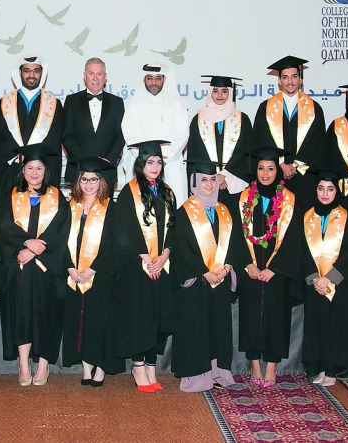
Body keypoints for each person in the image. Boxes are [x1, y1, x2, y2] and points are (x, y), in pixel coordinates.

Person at [0, 143, 70, 386]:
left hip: (48, 270)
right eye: (30, 168)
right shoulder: (11, 196)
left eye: (39, 168)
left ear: (46, 171)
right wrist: (25, 245)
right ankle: (24, 363)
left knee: (47, 314)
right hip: (19, 267)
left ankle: (44, 365)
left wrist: (37, 250)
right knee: (21, 313)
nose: (35, 173)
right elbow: (4, 227)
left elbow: (61, 231)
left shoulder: (58, 197)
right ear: (22, 170)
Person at [234, 145, 305, 388]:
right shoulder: (244, 198)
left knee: (277, 317)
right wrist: (247, 265)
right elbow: (235, 235)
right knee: (251, 316)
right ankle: (254, 364)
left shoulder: (290, 201)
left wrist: (275, 269)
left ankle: (272, 366)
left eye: (271, 168)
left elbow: (296, 238)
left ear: (278, 171)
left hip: (278, 273)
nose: (265, 173)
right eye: (261, 168)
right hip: (251, 272)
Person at [112, 140, 177, 393]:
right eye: (150, 162)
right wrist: (146, 257)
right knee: (140, 317)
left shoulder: (167, 192)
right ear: (141, 164)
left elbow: (173, 229)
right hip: (137, 267)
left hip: (162, 266)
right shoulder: (129, 191)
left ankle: (152, 364)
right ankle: (138, 365)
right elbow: (124, 229)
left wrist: (164, 255)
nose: (155, 166)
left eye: (159, 162)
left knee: (157, 317)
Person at [170, 161, 241, 392]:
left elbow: (234, 242)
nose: (209, 184)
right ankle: (196, 376)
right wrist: (204, 271)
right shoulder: (183, 213)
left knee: (218, 326)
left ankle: (218, 373)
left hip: (220, 278)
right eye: (203, 180)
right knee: (196, 328)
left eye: (212, 179)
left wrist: (228, 267)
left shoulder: (224, 211)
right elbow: (181, 248)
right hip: (196, 282)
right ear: (194, 183)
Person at [299, 167, 348, 387]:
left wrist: (329, 279)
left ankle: (334, 369)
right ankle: (319, 366)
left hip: (340, 284)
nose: (325, 193)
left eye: (330, 189)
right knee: (317, 325)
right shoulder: (307, 216)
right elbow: (302, 253)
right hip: (315, 285)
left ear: (337, 191)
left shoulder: (346, 217)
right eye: (321, 188)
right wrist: (315, 279)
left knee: (337, 325)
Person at [61, 157, 123, 387]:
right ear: (78, 181)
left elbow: (114, 243)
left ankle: (101, 367)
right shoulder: (69, 207)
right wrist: (70, 267)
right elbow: (60, 240)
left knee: (99, 321)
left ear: (101, 181)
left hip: (101, 275)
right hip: (74, 275)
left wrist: (94, 268)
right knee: (79, 321)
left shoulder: (110, 208)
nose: (88, 184)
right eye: (84, 179)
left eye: (93, 179)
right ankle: (86, 366)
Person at [251, 56, 326, 193]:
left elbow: (317, 143)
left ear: (300, 80)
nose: (290, 82)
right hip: (274, 174)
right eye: (285, 77)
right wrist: (281, 164)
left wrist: (296, 164)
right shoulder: (265, 108)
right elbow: (261, 140)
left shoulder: (315, 109)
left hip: (305, 175)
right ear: (279, 80)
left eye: (294, 77)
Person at [121, 63, 191, 203]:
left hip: (170, 164)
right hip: (141, 165)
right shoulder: (133, 105)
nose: (154, 82)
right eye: (149, 78)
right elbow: (129, 134)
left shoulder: (178, 105)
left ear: (164, 79)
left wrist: (163, 159)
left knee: (173, 205)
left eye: (158, 78)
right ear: (143, 79)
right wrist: (147, 160)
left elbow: (182, 134)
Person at [0, 56, 64, 184]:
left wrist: (34, 157)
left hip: (41, 169)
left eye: (36, 71)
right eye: (27, 70)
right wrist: (19, 155)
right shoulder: (5, 102)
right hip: (12, 167)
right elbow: (0, 136)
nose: (31, 75)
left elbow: (54, 138)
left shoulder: (53, 104)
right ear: (20, 72)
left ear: (41, 73)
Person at [61, 58, 126, 190]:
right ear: (85, 77)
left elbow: (120, 135)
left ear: (105, 77)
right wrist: (83, 160)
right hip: (78, 171)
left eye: (99, 74)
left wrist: (109, 159)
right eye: (91, 73)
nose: (95, 78)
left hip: (107, 171)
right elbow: (66, 134)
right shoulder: (71, 101)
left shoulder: (117, 102)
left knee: (106, 210)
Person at [187, 75, 253, 196]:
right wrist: (213, 177)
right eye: (215, 91)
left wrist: (224, 175)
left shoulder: (243, 119)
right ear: (210, 93)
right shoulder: (198, 119)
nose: (219, 95)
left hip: (234, 180)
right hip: (206, 183)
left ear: (230, 93)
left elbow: (245, 151)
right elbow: (195, 153)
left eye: (224, 91)